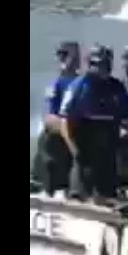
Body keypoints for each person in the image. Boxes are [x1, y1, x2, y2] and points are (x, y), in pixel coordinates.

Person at [59, 45, 128, 200]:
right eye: (97, 64)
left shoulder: (117, 87)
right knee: (81, 196)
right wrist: (74, 150)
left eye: (105, 64)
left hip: (108, 149)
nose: (102, 69)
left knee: (107, 194)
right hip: (84, 148)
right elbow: (65, 121)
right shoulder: (78, 86)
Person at [35, 41, 81, 194]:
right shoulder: (56, 82)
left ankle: (64, 187)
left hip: (76, 126)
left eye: (67, 56)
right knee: (46, 140)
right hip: (59, 128)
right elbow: (50, 114)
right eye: (61, 56)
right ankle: (47, 186)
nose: (65, 60)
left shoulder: (81, 82)